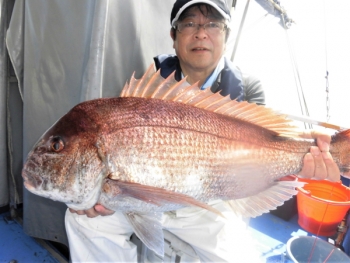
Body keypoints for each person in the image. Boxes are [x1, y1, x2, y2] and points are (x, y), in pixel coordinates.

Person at [65, 0, 341, 262]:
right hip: (141, 196)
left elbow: (265, 148)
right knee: (81, 217)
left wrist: (302, 157)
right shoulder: (148, 90)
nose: (200, 33)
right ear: (173, 35)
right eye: (189, 24)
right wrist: (93, 193)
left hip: (209, 200)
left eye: (212, 24)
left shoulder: (248, 88)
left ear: (225, 35)